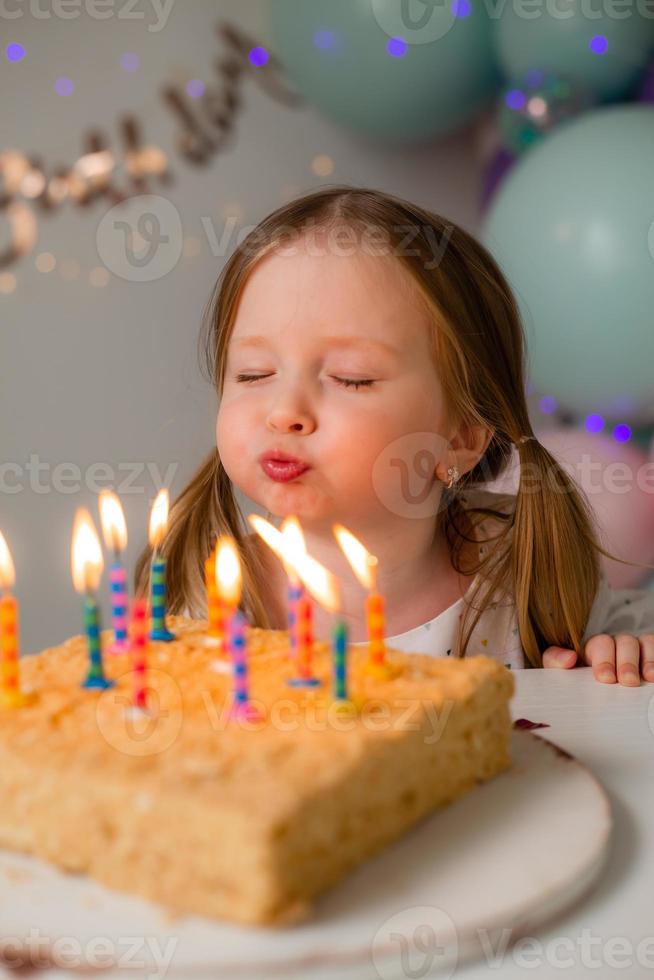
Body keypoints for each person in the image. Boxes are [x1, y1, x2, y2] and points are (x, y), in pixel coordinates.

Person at [135, 186, 654, 685]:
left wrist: (624, 652)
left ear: (462, 438)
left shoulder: (525, 580)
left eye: (351, 377)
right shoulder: (204, 601)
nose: (284, 412)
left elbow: (631, 646)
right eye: (252, 373)